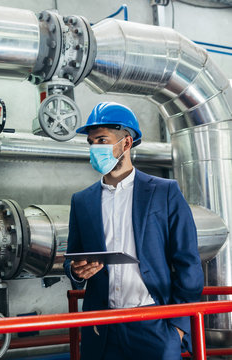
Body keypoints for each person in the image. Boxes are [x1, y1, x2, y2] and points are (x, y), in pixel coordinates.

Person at [63, 102, 204, 360]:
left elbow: (188, 261)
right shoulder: (82, 201)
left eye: (102, 140)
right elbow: (73, 258)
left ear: (126, 143)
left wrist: (178, 329)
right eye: (91, 142)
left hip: (153, 325)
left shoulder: (164, 192)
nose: (95, 149)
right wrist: (76, 271)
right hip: (100, 328)